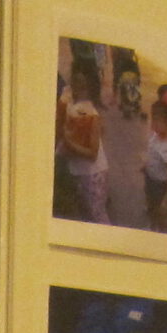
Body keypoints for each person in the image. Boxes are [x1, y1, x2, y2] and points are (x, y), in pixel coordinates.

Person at [57, 57, 110, 224]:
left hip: (92, 174)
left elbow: (92, 153)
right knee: (85, 215)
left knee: (96, 216)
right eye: (75, 82)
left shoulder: (91, 114)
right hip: (78, 171)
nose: (77, 89)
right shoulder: (73, 104)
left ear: (90, 87)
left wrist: (68, 143)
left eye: (82, 85)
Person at [141, 94, 167, 232]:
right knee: (151, 204)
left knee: (159, 210)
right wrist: (146, 166)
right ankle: (152, 224)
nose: (152, 123)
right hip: (150, 178)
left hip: (160, 185)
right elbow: (152, 152)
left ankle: (158, 230)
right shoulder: (155, 136)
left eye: (156, 120)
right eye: (152, 119)